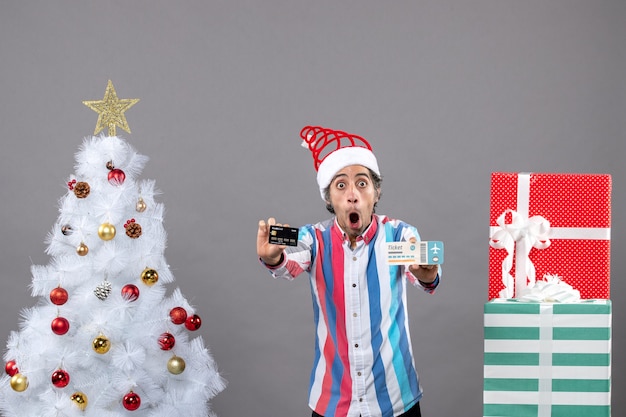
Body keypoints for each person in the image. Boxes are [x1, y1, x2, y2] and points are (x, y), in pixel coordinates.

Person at [256, 126, 440, 417]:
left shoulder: (399, 233)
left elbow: (426, 275)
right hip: (333, 402)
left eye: (362, 183)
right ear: (329, 199)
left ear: (376, 192)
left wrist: (426, 271)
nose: (352, 194)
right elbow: (288, 261)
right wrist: (272, 257)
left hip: (395, 400)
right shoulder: (312, 238)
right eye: (341, 185)